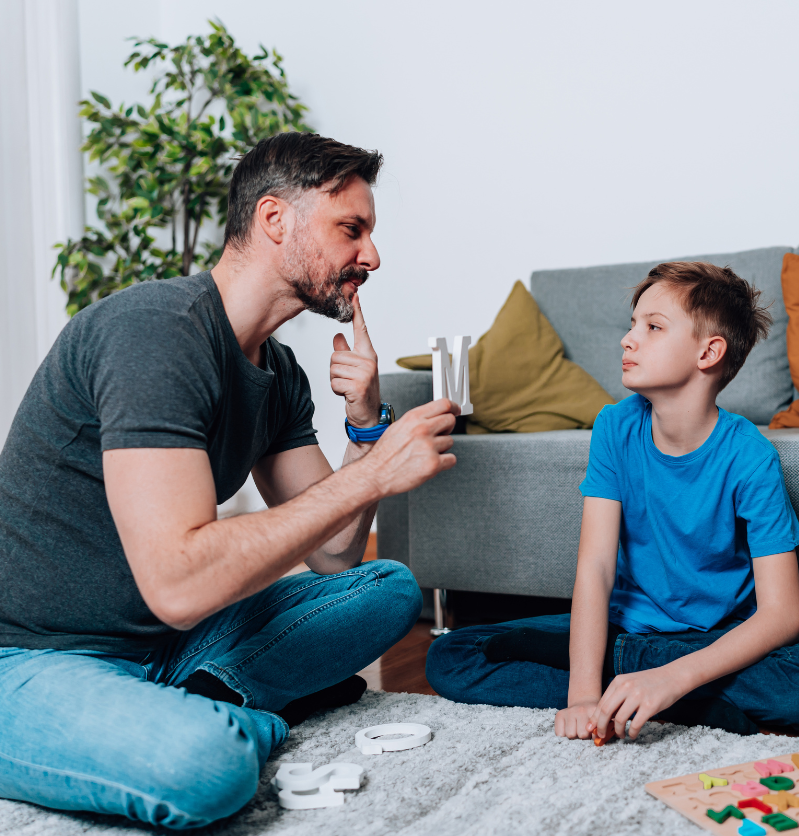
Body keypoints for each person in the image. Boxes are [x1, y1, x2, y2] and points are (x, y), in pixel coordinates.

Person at [0, 132, 459, 827]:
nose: (371, 256)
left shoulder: (277, 374)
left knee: (386, 587)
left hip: (165, 646)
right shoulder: (154, 333)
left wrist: (364, 426)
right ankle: (229, 717)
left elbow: (334, 556)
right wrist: (374, 477)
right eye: (351, 229)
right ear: (276, 220)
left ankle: (188, 696)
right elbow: (180, 584)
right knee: (208, 768)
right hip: (33, 656)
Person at [426, 261, 799, 740]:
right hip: (624, 627)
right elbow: (596, 568)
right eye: (633, 325)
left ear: (709, 352)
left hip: (711, 638)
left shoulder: (751, 458)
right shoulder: (614, 427)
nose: (627, 339)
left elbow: (782, 614)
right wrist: (584, 695)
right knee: (452, 655)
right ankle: (669, 700)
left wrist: (674, 676)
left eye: (652, 327)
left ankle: (654, 688)